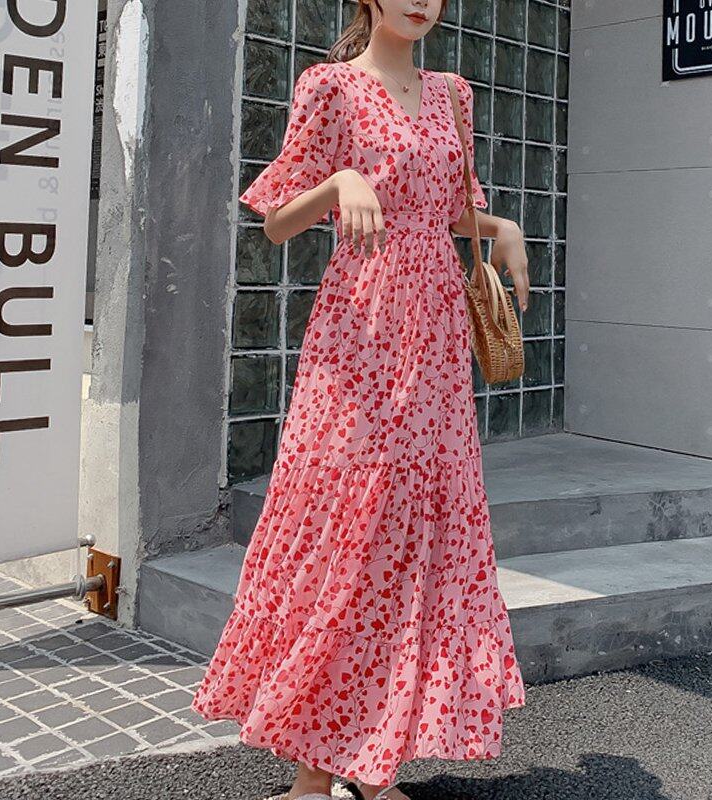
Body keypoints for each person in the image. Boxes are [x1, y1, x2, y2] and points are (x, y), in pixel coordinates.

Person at [190, 1, 530, 799]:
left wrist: (502, 226)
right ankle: (313, 775)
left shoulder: (452, 93)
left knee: (411, 533)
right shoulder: (330, 87)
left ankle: (371, 763)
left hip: (435, 338)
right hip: (359, 333)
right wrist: (341, 181)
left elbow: (444, 209)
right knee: (346, 525)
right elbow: (277, 223)